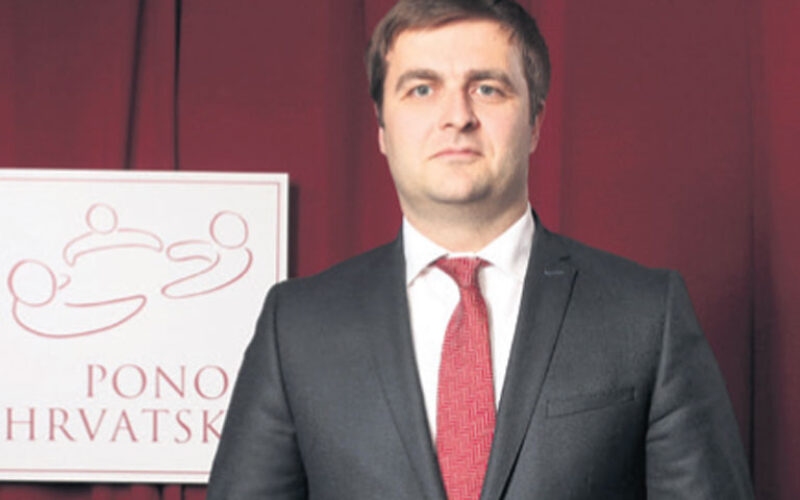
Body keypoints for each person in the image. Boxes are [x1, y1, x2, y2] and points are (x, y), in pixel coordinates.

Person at [207, 0, 754, 498]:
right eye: (422, 89)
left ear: (535, 121)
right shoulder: (295, 328)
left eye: (487, 88)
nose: (458, 116)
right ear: (381, 128)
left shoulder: (647, 316)